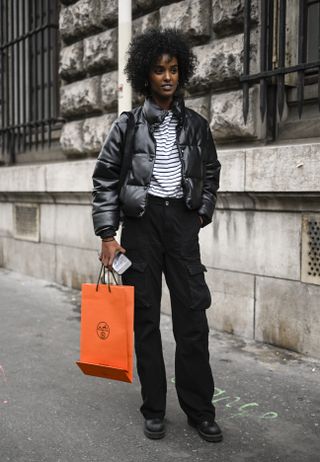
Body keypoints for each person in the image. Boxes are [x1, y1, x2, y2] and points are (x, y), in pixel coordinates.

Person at [92, 28, 222, 443]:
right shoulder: (128, 125)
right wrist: (108, 235)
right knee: (145, 320)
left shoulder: (197, 126)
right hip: (142, 227)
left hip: (182, 225)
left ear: (180, 74)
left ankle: (200, 410)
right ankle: (153, 408)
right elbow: (106, 179)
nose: (166, 77)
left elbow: (212, 172)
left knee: (192, 320)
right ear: (145, 76)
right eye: (158, 70)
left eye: (173, 70)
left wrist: (200, 213)